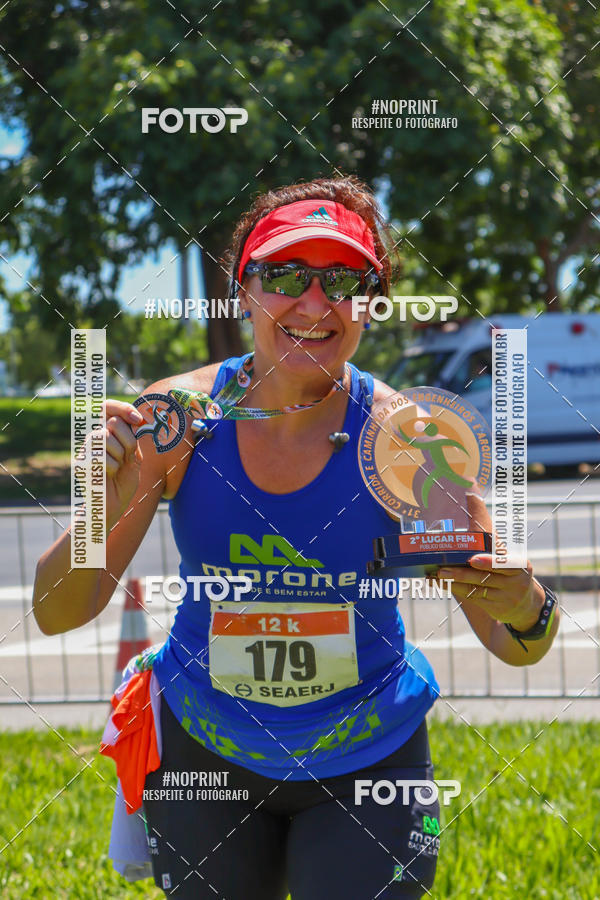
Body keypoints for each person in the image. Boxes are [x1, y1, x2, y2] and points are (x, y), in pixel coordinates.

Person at [33, 176, 560, 900]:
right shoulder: (176, 420)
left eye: (344, 280)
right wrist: (99, 507)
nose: (315, 304)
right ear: (244, 290)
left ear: (371, 302)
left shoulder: (410, 439)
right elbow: (57, 613)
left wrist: (526, 599)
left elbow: (518, 646)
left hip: (370, 759)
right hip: (204, 751)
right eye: (285, 275)